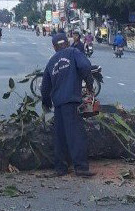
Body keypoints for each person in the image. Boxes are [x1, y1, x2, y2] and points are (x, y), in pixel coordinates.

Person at [40, 33, 96, 178]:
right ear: (67, 42)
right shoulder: (73, 52)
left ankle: (60, 168)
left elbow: (44, 87)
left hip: (58, 104)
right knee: (76, 134)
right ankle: (81, 168)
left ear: (54, 47)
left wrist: (46, 103)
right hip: (71, 101)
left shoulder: (51, 61)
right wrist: (89, 84)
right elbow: (85, 66)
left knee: (60, 137)